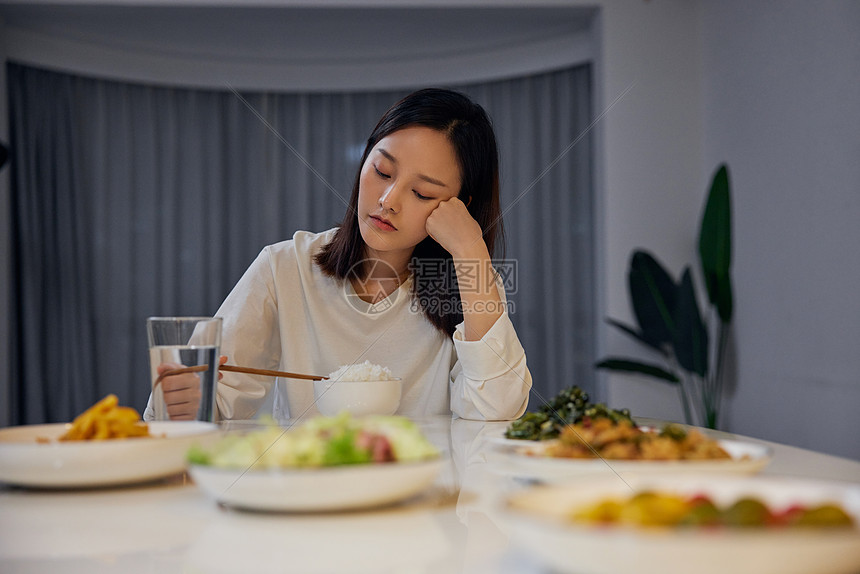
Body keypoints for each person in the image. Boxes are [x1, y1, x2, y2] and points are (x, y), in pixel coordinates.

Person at [144, 88, 532, 422]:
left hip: (427, 501)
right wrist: (188, 401)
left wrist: (469, 250)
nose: (387, 201)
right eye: (382, 170)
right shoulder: (285, 267)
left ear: (457, 208)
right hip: (306, 498)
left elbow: (496, 410)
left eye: (423, 194)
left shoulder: (469, 284)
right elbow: (206, 397)